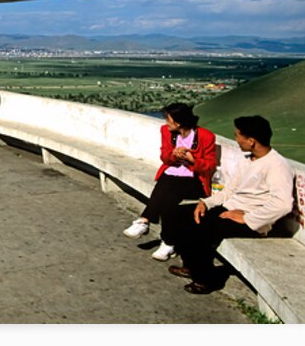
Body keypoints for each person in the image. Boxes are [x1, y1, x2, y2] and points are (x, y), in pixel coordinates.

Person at [164, 115, 294, 294]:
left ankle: (205, 279)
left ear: (251, 141)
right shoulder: (248, 160)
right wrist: (205, 203)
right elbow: (229, 191)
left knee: (200, 229)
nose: (236, 139)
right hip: (230, 209)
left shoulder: (277, 165)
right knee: (177, 214)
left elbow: (283, 204)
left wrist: (247, 217)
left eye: (238, 135)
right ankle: (191, 265)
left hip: (251, 221)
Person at [123, 103, 217, 261]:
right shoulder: (166, 132)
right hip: (171, 177)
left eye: (168, 119)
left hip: (194, 180)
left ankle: (145, 221)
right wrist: (174, 154)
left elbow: (210, 165)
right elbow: (165, 157)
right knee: (168, 195)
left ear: (178, 122)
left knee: (168, 187)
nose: (166, 122)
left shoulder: (205, 136)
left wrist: (192, 159)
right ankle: (168, 242)